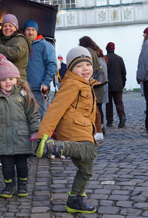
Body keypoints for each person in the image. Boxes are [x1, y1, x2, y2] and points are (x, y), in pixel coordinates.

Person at [34, 46, 98, 214]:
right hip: (73, 128)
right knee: (90, 151)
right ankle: (55, 147)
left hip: (83, 129)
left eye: (87, 64)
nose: (85, 69)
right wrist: (43, 135)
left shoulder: (86, 84)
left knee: (86, 168)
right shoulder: (72, 83)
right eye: (79, 66)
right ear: (70, 68)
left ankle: (75, 200)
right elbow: (55, 108)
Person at [0, 54, 40, 198]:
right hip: (2, 139)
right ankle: (9, 186)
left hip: (21, 137)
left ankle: (22, 185)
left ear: (17, 79)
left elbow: (33, 115)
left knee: (22, 164)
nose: (8, 82)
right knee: (6, 165)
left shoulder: (24, 95)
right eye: (4, 80)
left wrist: (36, 131)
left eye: (10, 79)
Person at [24, 19, 57, 119]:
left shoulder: (45, 45)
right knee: (26, 118)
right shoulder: (22, 45)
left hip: (38, 89)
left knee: (41, 118)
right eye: (28, 30)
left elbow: (52, 65)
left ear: (37, 31)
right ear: (24, 32)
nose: (30, 32)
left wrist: (45, 83)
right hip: (23, 88)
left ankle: (43, 135)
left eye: (33, 30)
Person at [79, 36, 108, 140]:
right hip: (98, 83)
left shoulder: (88, 52)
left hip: (93, 83)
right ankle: (101, 129)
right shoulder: (96, 51)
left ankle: (97, 130)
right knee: (98, 108)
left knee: (95, 109)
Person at [0, 14, 31, 81]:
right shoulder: (3, 41)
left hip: (16, 83)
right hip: (4, 82)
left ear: (16, 28)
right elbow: (3, 61)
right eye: (5, 26)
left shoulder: (20, 40)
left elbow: (16, 53)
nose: (7, 28)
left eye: (10, 26)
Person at [105, 42, 127, 128]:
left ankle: (109, 122)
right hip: (118, 85)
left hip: (108, 85)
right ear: (114, 49)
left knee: (108, 104)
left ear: (107, 49)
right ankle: (122, 116)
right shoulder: (119, 59)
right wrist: (123, 84)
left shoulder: (105, 59)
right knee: (119, 102)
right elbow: (123, 73)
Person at [98, 49, 109, 134]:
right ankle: (101, 126)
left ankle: (100, 127)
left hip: (99, 87)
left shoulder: (98, 61)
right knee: (99, 108)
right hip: (103, 87)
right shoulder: (103, 60)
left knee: (98, 108)